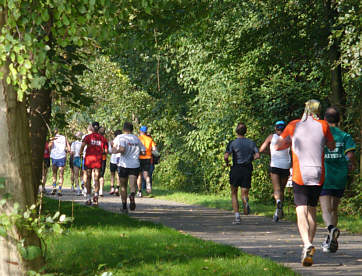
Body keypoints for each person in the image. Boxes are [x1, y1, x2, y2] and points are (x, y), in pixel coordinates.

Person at [275, 99, 335, 267]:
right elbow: (331, 145)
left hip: (300, 173)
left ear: (305, 110)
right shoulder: (324, 125)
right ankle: (309, 244)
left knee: (301, 210)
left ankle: (307, 244)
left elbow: (279, 145)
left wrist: (290, 142)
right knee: (312, 211)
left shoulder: (294, 125)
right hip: (318, 173)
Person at [319, 107, 356, 253]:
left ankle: (331, 229)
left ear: (325, 119)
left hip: (325, 175)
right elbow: (350, 155)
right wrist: (348, 163)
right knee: (334, 209)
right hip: (340, 175)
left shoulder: (321, 135)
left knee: (325, 209)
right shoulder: (345, 135)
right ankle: (330, 240)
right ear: (339, 119)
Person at [224, 122, 260, 225]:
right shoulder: (251, 143)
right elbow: (257, 155)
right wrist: (249, 160)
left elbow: (226, 156)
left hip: (236, 168)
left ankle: (237, 217)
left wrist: (227, 163)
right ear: (246, 131)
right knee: (244, 192)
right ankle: (245, 201)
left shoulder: (232, 143)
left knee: (234, 192)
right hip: (247, 169)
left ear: (236, 131)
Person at [259, 121, 291, 222]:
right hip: (286, 165)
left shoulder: (271, 137)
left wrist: (270, 152)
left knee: (276, 189)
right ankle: (279, 212)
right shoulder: (289, 138)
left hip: (275, 166)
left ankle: (278, 202)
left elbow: (261, 149)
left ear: (275, 128)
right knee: (282, 189)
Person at [113, 122, 146, 214]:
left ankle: (124, 207)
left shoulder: (121, 137)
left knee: (123, 186)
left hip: (123, 165)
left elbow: (122, 149)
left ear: (123, 129)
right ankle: (132, 195)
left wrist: (115, 151)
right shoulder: (137, 139)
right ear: (132, 130)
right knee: (132, 185)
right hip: (135, 165)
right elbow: (143, 152)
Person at [79, 122, 108, 206]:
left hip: (89, 160)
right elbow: (106, 151)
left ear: (92, 128)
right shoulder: (102, 138)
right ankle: (96, 197)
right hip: (98, 160)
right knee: (96, 178)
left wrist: (80, 153)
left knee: (88, 178)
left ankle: (88, 198)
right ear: (98, 128)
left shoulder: (87, 137)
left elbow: (82, 146)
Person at [137, 126, 158, 196]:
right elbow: (154, 150)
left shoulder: (138, 139)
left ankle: (139, 192)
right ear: (146, 132)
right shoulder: (150, 139)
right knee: (146, 175)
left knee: (139, 175)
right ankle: (148, 185)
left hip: (139, 158)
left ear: (140, 131)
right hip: (148, 158)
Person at [49, 128, 71, 196]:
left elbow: (49, 147)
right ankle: (59, 190)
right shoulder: (64, 138)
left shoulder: (52, 138)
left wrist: (51, 141)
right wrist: (66, 151)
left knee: (54, 174)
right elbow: (69, 149)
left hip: (54, 157)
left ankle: (54, 188)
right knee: (61, 175)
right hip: (62, 157)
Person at [109, 130, 122, 196]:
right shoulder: (122, 140)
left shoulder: (112, 141)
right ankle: (117, 188)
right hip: (120, 159)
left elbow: (109, 151)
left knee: (112, 174)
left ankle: (112, 188)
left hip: (113, 159)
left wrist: (112, 146)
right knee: (118, 175)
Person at [70, 131, 83, 196]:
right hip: (82, 158)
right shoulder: (84, 143)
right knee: (82, 175)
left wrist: (72, 160)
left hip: (77, 158)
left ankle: (78, 189)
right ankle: (82, 188)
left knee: (76, 175)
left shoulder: (74, 143)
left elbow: (72, 153)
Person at [98, 126, 108, 197]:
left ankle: (96, 189)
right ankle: (101, 190)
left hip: (96, 159)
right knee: (101, 175)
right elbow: (106, 151)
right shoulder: (105, 140)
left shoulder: (95, 138)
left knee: (95, 173)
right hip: (103, 159)